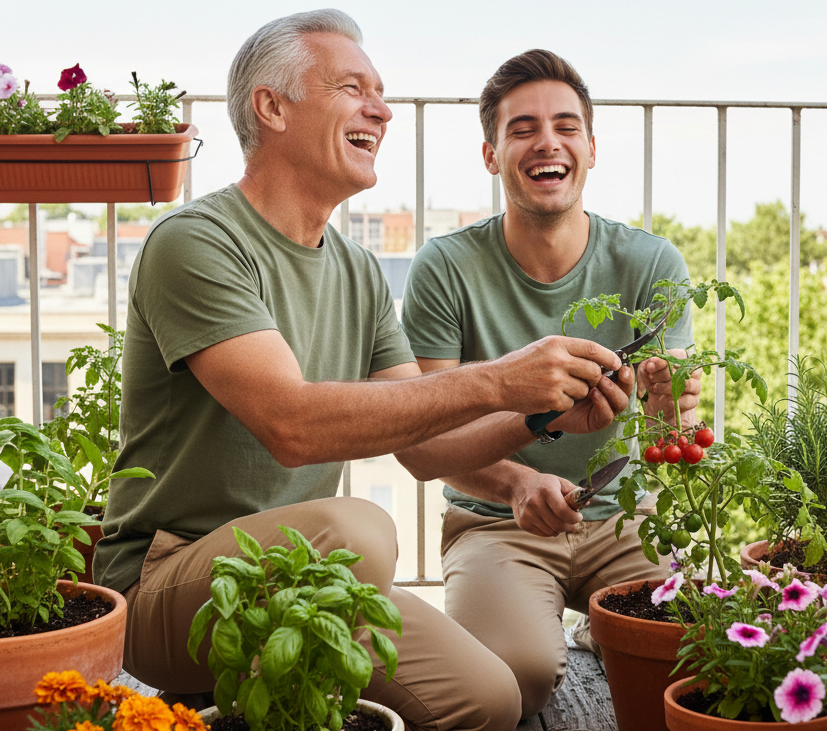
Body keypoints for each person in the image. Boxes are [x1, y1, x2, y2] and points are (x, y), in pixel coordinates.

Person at [93, 14, 636, 731]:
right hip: (168, 580)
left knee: (490, 696)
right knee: (362, 531)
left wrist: (543, 414)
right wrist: (501, 378)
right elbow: (291, 424)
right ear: (272, 107)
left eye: (381, 92)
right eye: (353, 87)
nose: (381, 109)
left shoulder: (357, 271)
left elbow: (423, 441)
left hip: (307, 580)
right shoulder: (197, 243)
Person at [399, 49, 702, 719]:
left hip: (627, 519)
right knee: (517, 681)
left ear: (591, 149)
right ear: (491, 154)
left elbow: (666, 433)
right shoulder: (445, 268)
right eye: (523, 128)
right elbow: (425, 435)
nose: (548, 142)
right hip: (494, 522)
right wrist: (515, 483)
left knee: (695, 654)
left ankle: (601, 623)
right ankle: (553, 625)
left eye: (567, 126)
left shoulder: (653, 262)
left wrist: (669, 404)